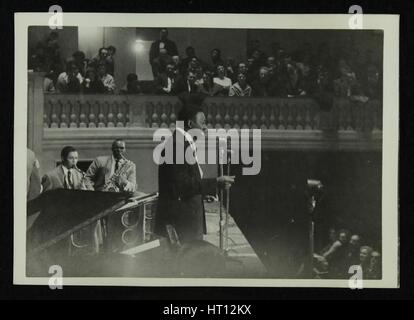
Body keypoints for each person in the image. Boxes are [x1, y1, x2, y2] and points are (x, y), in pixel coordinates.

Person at [155, 103, 235, 243]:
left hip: (187, 217)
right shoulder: (177, 146)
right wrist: (215, 182)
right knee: (187, 262)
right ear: (190, 124)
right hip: (182, 221)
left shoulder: (182, 144)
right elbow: (182, 185)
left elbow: (185, 181)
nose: (205, 127)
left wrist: (204, 192)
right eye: (202, 123)